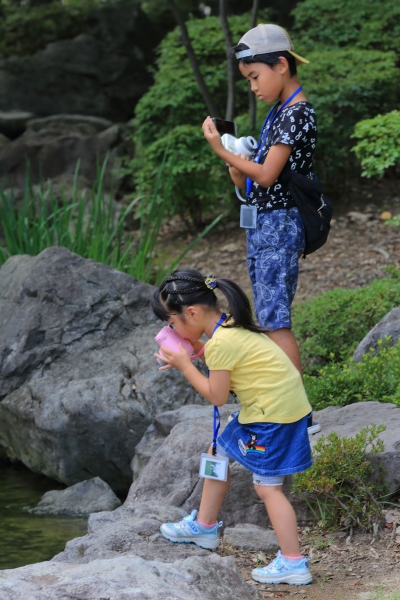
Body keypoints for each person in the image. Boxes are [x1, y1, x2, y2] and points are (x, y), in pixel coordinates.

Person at [151, 268, 313, 586]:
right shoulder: (229, 326)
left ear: (192, 313)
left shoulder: (221, 344)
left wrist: (185, 365)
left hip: (273, 418)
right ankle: (205, 526)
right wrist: (197, 348)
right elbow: (227, 362)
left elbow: (217, 395)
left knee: (268, 488)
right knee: (219, 450)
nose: (170, 328)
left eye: (171, 322)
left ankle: (293, 562)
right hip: (273, 409)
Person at [202, 23, 320, 434]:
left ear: (281, 65)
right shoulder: (280, 113)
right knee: (270, 315)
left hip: (280, 224)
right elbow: (255, 178)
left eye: (255, 77)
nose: (252, 87)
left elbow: (268, 176)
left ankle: (298, 417)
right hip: (266, 224)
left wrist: (220, 150)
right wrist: (237, 163)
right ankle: (289, 411)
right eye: (248, 79)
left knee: (274, 320)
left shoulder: (296, 113)